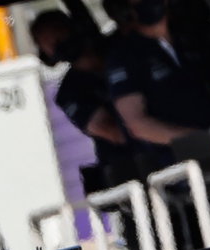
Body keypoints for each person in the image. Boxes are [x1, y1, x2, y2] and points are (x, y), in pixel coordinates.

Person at [106, 0, 210, 170]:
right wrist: (206, 140)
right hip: (182, 159)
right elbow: (137, 124)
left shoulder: (186, 38)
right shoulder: (124, 57)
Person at [33, 10, 138, 187]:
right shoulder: (69, 92)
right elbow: (110, 130)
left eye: (58, 30)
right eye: (48, 40)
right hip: (129, 167)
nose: (56, 40)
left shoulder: (119, 50)